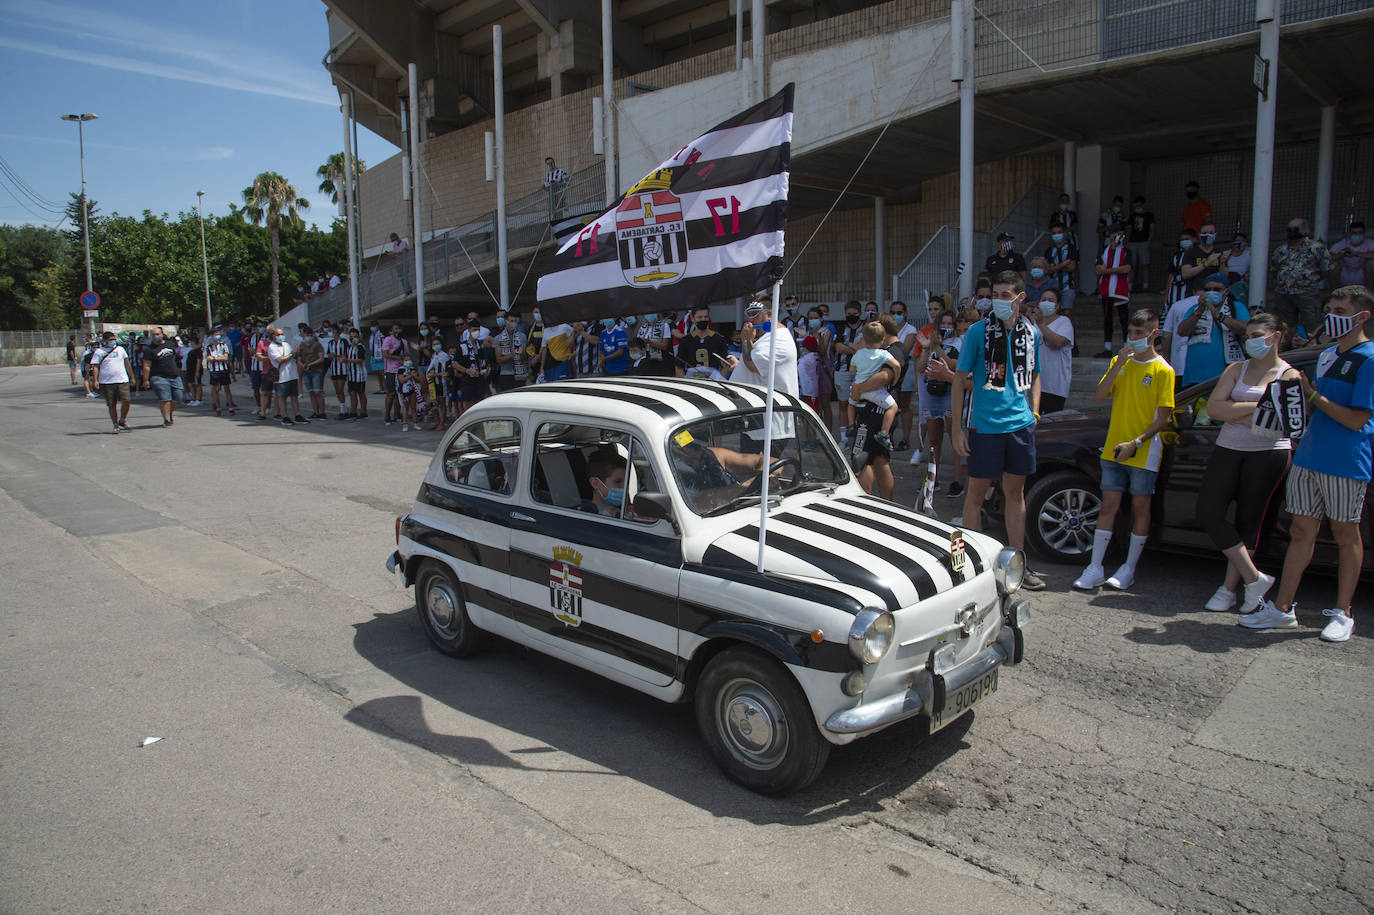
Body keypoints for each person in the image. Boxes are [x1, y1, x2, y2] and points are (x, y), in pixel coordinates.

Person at [1241, 286, 1374, 641]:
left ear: (1362, 316)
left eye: (1340, 309)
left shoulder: (1370, 359)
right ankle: (1283, 608)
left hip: (1346, 461)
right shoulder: (1328, 355)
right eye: (1329, 307)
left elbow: (1356, 420)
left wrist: (1313, 394)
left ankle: (1343, 612)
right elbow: (1314, 409)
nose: (1331, 314)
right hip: (1309, 457)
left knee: (1347, 535)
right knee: (1301, 532)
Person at [950, 271, 1046, 590]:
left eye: (1006, 295)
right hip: (985, 426)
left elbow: (1035, 376)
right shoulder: (979, 331)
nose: (999, 301)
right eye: (996, 294)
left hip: (1019, 425)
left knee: (1014, 494)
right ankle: (969, 566)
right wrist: (957, 429)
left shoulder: (1029, 332)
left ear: (1020, 298)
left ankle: (1018, 562)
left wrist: (1034, 410)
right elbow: (959, 380)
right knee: (975, 496)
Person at [1196, 313, 1296, 614]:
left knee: (1249, 521)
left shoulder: (1288, 375)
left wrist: (1234, 409)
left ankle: (1230, 590)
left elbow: (1285, 419)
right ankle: (1255, 579)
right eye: (1248, 335)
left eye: (1257, 335)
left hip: (1268, 453)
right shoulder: (1236, 369)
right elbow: (1214, 407)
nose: (1250, 340)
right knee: (1209, 512)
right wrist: (1260, 406)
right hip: (1228, 448)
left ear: (1276, 336)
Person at [1072, 310, 1176, 591]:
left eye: (1139, 334)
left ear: (1154, 334)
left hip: (1142, 450)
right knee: (1109, 505)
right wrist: (1117, 366)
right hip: (1113, 448)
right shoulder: (1122, 364)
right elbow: (1098, 396)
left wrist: (1137, 443)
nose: (1133, 339)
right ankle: (1095, 567)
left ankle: (1129, 568)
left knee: (1141, 506)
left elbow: (1164, 417)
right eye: (1131, 333)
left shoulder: (1163, 371)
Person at [1176, 274, 1249, 387]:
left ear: (1226, 291)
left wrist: (1219, 316)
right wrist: (1199, 312)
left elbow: (1246, 329)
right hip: (1195, 375)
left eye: (1217, 289)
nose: (1211, 292)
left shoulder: (1237, 307)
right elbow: (1182, 331)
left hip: (1226, 375)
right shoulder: (1194, 309)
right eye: (1207, 289)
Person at [1269, 217, 1333, 338]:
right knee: (1285, 326)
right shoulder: (1281, 250)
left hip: (1307, 293)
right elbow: (1274, 270)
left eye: (1296, 229)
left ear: (1305, 230)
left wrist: (1311, 281)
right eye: (1289, 229)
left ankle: (1310, 350)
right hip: (1284, 293)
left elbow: (1327, 268)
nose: (1292, 232)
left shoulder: (1316, 248)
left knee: (1311, 323)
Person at [847, 322, 902, 451]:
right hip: (874, 389)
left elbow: (852, 370)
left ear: (864, 339)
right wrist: (896, 378)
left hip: (857, 386)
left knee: (851, 404)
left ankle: (850, 425)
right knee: (893, 407)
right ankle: (884, 433)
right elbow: (897, 365)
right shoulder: (883, 354)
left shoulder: (858, 354)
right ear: (883, 339)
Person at [1032, 289, 1074, 414]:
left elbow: (1057, 343)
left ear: (1057, 306)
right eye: (1043, 300)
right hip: (1035, 384)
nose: (1046, 302)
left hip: (1055, 386)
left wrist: (1041, 324)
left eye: (1050, 300)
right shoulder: (1033, 323)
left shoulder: (1064, 322)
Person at [1094, 224, 1133, 358]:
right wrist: (1116, 269)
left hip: (1121, 289)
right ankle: (1107, 347)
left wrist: (1107, 270)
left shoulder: (1126, 251)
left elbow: (1127, 269)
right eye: (1116, 233)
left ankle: (1127, 345)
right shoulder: (1104, 251)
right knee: (1107, 318)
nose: (1119, 236)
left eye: (1121, 234)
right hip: (1106, 289)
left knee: (1124, 318)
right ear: (1110, 235)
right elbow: (1098, 270)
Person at [90, 331, 133, 433]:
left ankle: (122, 419)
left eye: (114, 339)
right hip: (107, 382)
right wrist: (95, 380)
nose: (113, 341)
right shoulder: (99, 352)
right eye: (111, 340)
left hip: (122, 379)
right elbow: (95, 367)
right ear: (104, 341)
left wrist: (132, 376)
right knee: (111, 404)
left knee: (126, 400)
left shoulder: (120, 349)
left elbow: (127, 363)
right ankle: (115, 424)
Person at [832, 301, 864, 439]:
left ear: (860, 314)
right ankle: (844, 438)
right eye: (849, 314)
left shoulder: (866, 328)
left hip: (861, 372)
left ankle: (858, 435)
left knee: (859, 405)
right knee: (843, 404)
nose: (851, 316)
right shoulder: (840, 328)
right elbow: (838, 348)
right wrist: (855, 347)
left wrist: (848, 345)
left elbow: (864, 349)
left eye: (854, 314)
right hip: (842, 371)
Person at [140, 328, 182, 428]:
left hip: (174, 375)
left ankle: (168, 412)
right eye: (153, 334)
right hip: (158, 377)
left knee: (178, 398)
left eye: (158, 334)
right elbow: (146, 365)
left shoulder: (169, 344)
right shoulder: (149, 349)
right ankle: (167, 419)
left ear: (162, 334)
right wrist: (145, 379)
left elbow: (174, 357)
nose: (156, 336)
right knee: (165, 399)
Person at [268, 326, 307, 426]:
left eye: (282, 334)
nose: (281, 336)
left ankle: (297, 415)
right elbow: (280, 359)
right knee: (282, 397)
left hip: (292, 374)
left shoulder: (286, 344)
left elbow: (294, 355)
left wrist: (297, 353)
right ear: (273, 336)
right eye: (278, 334)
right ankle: (284, 416)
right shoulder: (272, 347)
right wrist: (291, 354)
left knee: (294, 396)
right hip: (281, 377)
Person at [676, 306, 729, 379]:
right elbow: (679, 366)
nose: (703, 319)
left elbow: (726, 365)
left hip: (713, 381)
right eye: (699, 317)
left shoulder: (719, 339)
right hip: (692, 382)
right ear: (692, 318)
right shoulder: (685, 341)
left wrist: (720, 380)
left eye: (706, 317)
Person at [1182, 222, 1228, 295]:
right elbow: (1185, 274)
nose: (1208, 235)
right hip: (1194, 294)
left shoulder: (1219, 253)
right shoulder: (1191, 252)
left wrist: (1222, 263)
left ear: (1215, 235)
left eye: (1211, 233)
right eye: (1205, 233)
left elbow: (1224, 277)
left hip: (1214, 295)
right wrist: (1206, 263)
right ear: (1199, 235)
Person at [296, 324, 327, 419]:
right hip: (306, 371)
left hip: (316, 370)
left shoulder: (317, 344)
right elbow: (298, 358)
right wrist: (303, 365)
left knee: (318, 392)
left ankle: (322, 412)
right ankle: (315, 412)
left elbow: (321, 358)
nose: (308, 337)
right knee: (311, 393)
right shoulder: (301, 345)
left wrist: (310, 364)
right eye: (306, 335)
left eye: (310, 335)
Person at [1330, 221, 1374, 288]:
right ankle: (1336, 293)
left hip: (1362, 275)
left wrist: (1355, 253)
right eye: (1354, 233)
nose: (1357, 235)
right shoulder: (1341, 243)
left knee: (1372, 263)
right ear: (1349, 233)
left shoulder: (1370, 243)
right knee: (1333, 265)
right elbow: (1329, 257)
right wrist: (1343, 254)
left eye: (1360, 233)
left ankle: (1369, 293)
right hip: (1345, 274)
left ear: (1364, 233)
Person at [1165, 229, 1200, 309]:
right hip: (1174, 293)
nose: (1184, 242)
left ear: (1194, 239)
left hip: (1191, 292)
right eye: (1182, 240)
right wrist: (1166, 296)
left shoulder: (1198, 254)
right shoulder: (1177, 256)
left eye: (1187, 239)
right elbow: (1171, 275)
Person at [204, 328, 236, 416]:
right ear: (212, 336)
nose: (217, 336)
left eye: (218, 334)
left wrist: (214, 358)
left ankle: (230, 407)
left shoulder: (223, 345)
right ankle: (218, 408)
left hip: (223, 369)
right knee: (215, 389)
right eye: (215, 334)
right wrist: (218, 358)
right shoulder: (208, 347)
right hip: (214, 370)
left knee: (227, 388)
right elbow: (208, 358)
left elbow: (225, 357)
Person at [1126, 195, 1155, 292]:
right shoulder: (1132, 216)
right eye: (1135, 206)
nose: (1137, 208)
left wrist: (1149, 241)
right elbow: (1129, 229)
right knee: (1131, 265)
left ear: (1143, 205)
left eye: (1138, 206)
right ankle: (1129, 287)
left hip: (1143, 242)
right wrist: (1126, 241)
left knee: (1145, 264)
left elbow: (1152, 229)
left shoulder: (1149, 215)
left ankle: (1145, 286)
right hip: (1132, 243)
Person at [381, 323, 408, 424]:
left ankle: (397, 415)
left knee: (399, 394)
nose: (397, 331)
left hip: (401, 370)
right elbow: (385, 354)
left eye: (399, 328)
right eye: (395, 329)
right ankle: (387, 415)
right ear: (392, 330)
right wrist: (397, 358)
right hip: (390, 370)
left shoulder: (404, 341)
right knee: (390, 393)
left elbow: (406, 354)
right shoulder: (388, 340)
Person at [396, 359, 422, 431]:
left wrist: (415, 375)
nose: (408, 361)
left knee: (413, 407)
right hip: (404, 391)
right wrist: (410, 375)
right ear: (402, 361)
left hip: (412, 389)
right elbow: (402, 380)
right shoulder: (400, 370)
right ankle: (405, 424)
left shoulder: (413, 369)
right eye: (406, 360)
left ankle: (415, 423)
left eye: (409, 360)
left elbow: (418, 379)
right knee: (405, 407)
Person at [797, 336, 820, 408]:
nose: (802, 348)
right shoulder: (816, 358)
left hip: (807, 391)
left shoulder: (805, 361)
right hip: (813, 390)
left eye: (803, 346)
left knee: (811, 412)